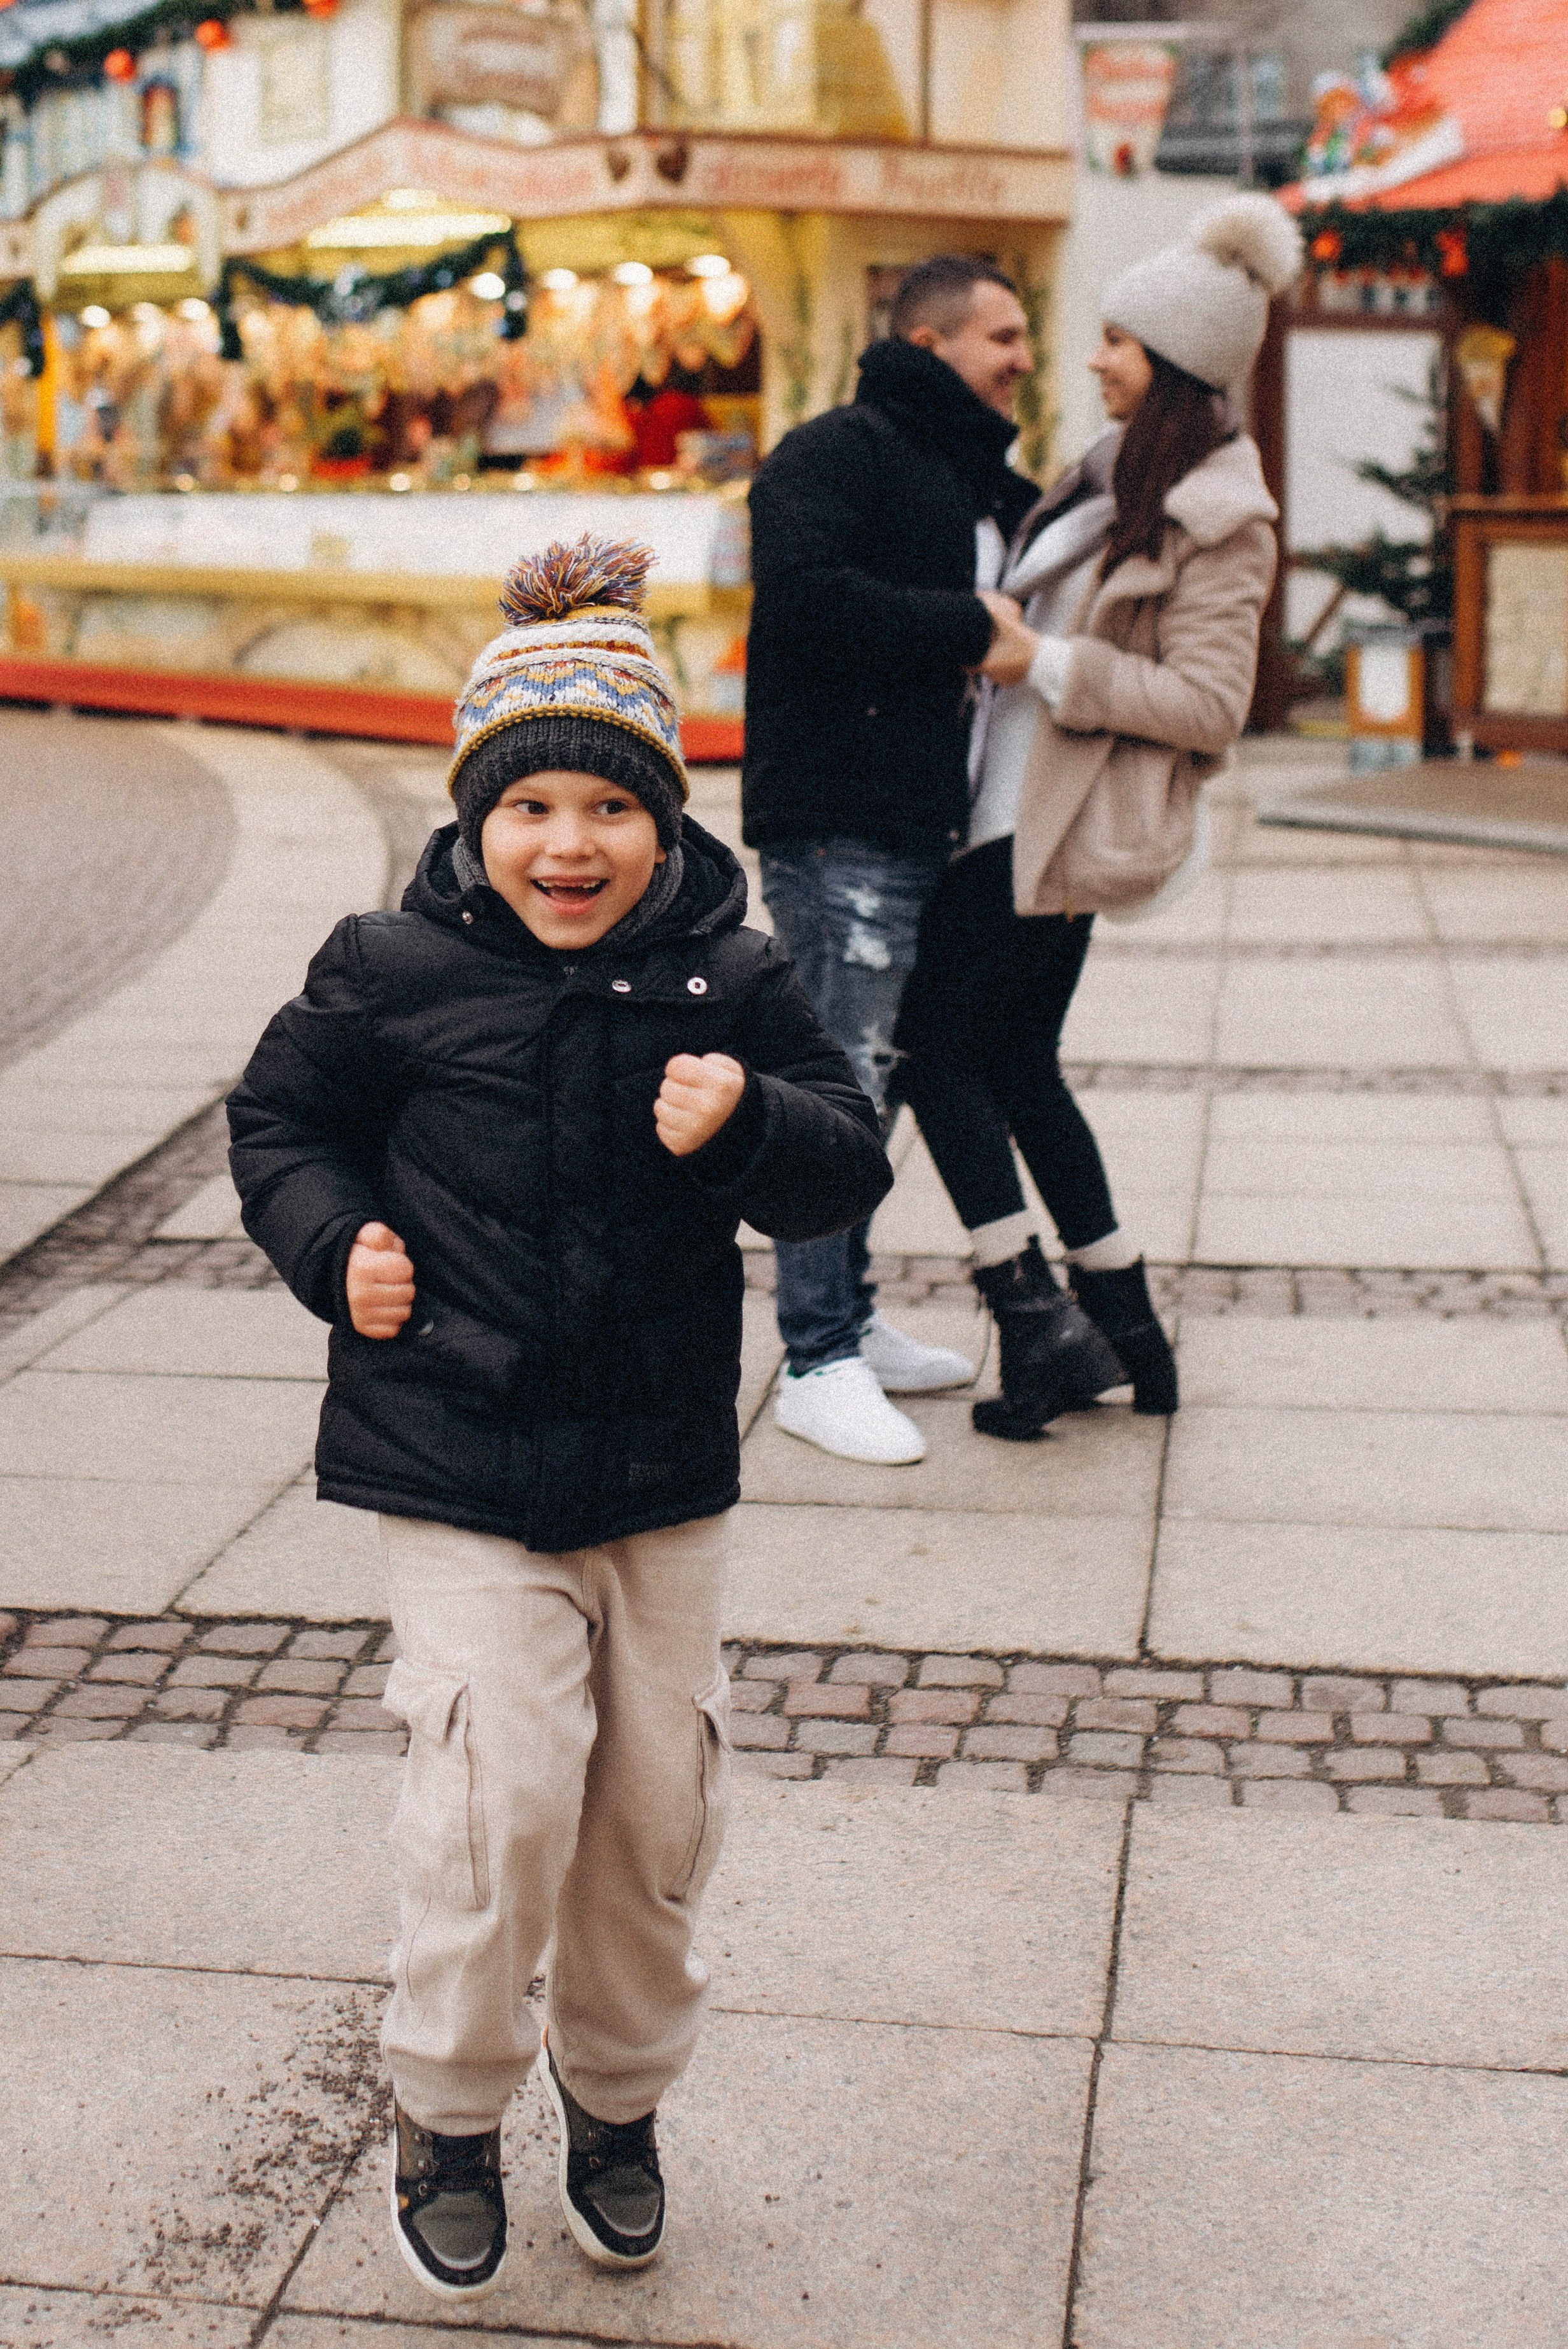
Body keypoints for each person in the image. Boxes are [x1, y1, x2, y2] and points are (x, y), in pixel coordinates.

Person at [227, 535, 892, 2306]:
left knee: (649, 1804)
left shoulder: (731, 976)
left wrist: (748, 1114)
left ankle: (616, 2099)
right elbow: (281, 1125)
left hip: (659, 1470)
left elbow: (844, 1162)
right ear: (475, 816)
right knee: (497, 1790)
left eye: (613, 806)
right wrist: (332, 1240)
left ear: (667, 821)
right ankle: (447, 2106)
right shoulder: (388, 962)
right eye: (533, 809)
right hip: (455, 1447)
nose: (571, 844)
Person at [895, 194, 1301, 1439]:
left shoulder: (1217, 516)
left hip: (1052, 827)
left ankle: (1032, 1316)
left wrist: (1045, 666)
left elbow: (1207, 704)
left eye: (1115, 342)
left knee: (928, 1052)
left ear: (1172, 362)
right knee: (1013, 1064)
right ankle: (1123, 1325)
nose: (1090, 358)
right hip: (1006, 814)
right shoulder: (1108, 474)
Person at [742, 254, 1045, 1465]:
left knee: (883, 1076)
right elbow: (805, 600)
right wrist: (970, 629)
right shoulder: (835, 455)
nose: (1022, 357)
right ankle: (816, 1359)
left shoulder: (967, 475)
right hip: (839, 824)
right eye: (1002, 337)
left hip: (924, 826)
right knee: (840, 1086)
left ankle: (852, 1322)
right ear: (928, 344)